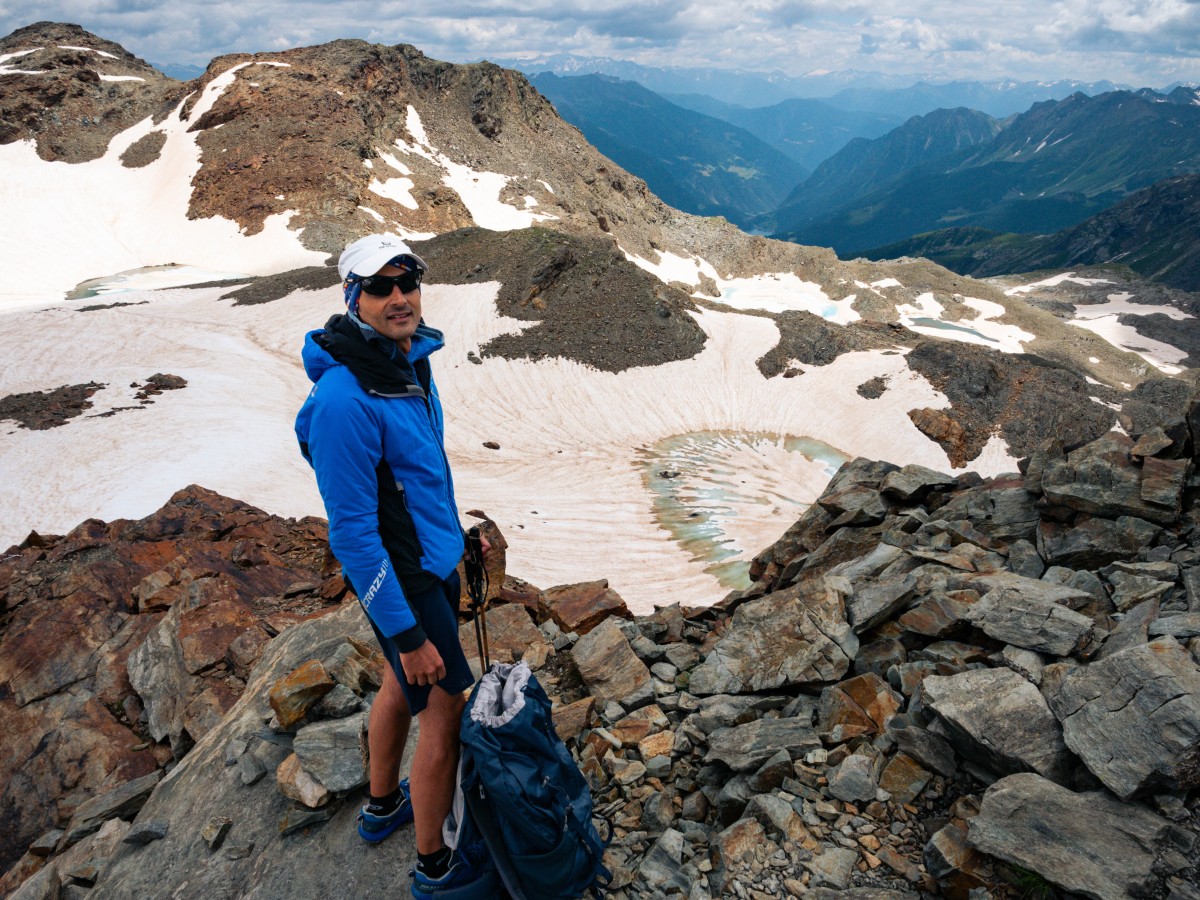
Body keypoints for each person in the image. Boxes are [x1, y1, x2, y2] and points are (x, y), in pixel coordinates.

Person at [295, 233, 485, 896]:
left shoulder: (408, 362)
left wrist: (458, 538)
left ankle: (381, 807)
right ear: (353, 298)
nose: (399, 297)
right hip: (405, 584)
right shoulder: (346, 400)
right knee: (444, 708)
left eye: (408, 282)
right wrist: (407, 635)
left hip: (427, 563)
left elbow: (416, 479)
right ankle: (436, 864)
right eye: (380, 287)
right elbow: (352, 535)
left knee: (396, 686)